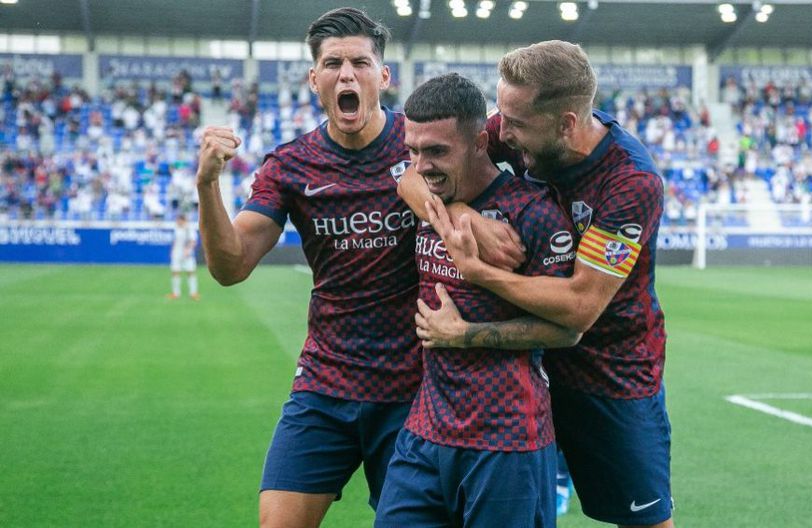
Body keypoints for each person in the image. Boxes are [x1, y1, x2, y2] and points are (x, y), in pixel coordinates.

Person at [406, 41, 673, 528]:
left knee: (645, 521)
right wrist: (465, 214)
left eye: (515, 123)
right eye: (501, 116)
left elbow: (579, 306)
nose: (502, 132)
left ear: (566, 123)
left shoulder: (630, 182)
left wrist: (481, 272)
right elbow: (409, 178)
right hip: (522, 375)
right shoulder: (517, 127)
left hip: (610, 374)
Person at [195, 8, 423, 528]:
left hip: (412, 390)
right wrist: (207, 185)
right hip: (326, 383)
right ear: (314, 79)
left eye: (360, 63)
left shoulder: (422, 148)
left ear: (384, 76)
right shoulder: (291, 165)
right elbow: (231, 266)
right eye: (334, 64)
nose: (347, 75)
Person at [375, 73, 581, 528]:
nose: (422, 166)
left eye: (436, 151)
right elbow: (405, 180)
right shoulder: (431, 198)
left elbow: (567, 328)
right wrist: (459, 214)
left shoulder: (533, 215)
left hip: (507, 438)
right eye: (413, 151)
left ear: (481, 143)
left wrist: (466, 335)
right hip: (426, 430)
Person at [167, 213, 199, 300]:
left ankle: (193, 293)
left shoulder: (189, 229)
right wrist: (172, 251)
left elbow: (193, 241)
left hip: (187, 254)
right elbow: (175, 241)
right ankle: (176, 293)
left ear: (183, 220)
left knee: (190, 272)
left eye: (179, 220)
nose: (177, 222)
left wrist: (188, 250)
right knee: (175, 272)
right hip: (177, 253)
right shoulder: (176, 229)